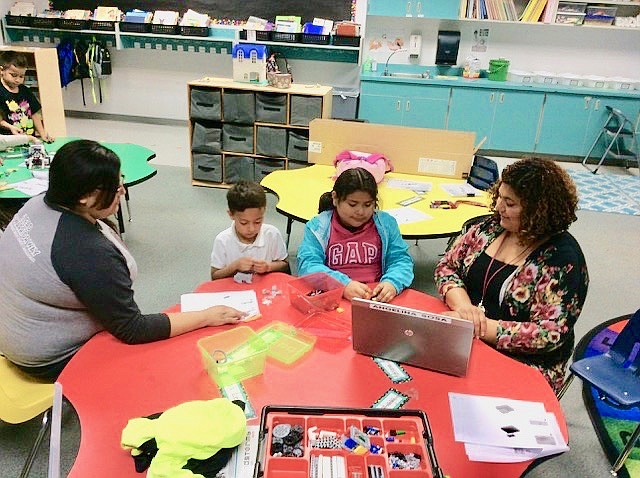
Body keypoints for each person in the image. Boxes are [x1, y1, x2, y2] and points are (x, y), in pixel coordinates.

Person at [0, 140, 246, 381]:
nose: (123, 191)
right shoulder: (85, 250)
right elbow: (133, 329)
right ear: (86, 196)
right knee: (173, 361)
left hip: (17, 334)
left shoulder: (37, 204)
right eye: (116, 188)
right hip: (51, 359)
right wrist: (206, 316)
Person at [434, 157, 589, 393]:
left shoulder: (562, 259)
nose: (498, 208)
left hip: (523, 361)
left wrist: (479, 327)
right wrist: (464, 308)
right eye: (499, 197)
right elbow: (447, 266)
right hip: (468, 338)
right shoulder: (490, 227)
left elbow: (549, 333)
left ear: (538, 211)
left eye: (510, 203)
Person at [297, 167, 414, 303]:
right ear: (335, 198)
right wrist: (343, 285)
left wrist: (392, 283)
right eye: (352, 204)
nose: (360, 211)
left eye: (368, 204)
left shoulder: (386, 224)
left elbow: (400, 260)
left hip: (375, 297)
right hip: (334, 295)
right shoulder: (318, 227)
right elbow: (308, 265)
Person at [210, 180, 289, 280]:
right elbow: (214, 276)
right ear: (231, 214)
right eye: (244, 223)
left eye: (257, 222)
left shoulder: (272, 234)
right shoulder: (223, 240)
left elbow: (285, 265)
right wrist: (234, 267)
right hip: (234, 292)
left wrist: (268, 266)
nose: (251, 229)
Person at [0, 51, 53, 142]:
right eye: (14, 75)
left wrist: (43, 134)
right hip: (8, 142)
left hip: (29, 140)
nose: (17, 80)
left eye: (21, 76)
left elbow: (35, 114)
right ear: (1, 70)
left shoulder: (25, 90)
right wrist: (10, 127)